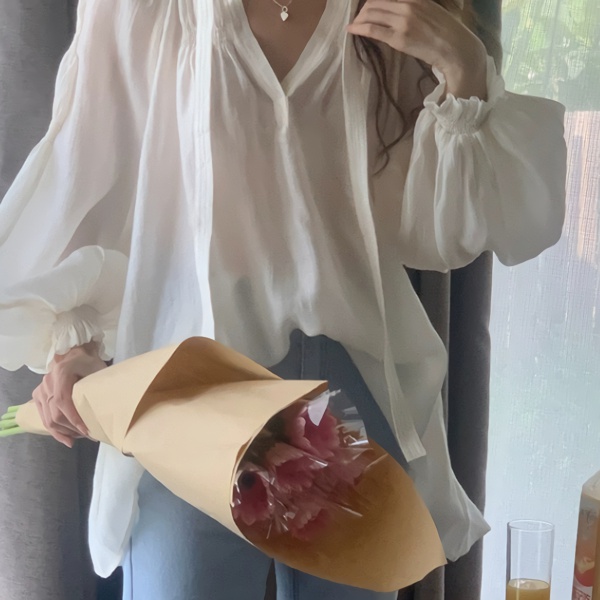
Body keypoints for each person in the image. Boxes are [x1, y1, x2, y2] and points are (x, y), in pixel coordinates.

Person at [0, 0, 567, 598]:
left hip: (350, 393)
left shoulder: (387, 15)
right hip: (189, 395)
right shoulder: (149, 9)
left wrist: (464, 69)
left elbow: (438, 232)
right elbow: (87, 170)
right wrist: (74, 336)